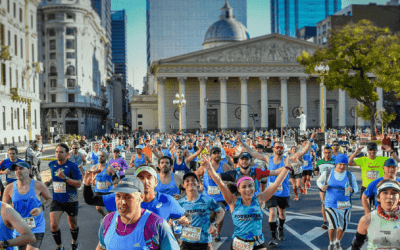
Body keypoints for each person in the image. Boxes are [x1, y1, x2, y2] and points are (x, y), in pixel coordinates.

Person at [201, 154, 294, 250]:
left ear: (254, 187)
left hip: (258, 243)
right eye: (244, 187)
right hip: (238, 244)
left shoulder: (259, 200)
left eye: (250, 186)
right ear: (239, 190)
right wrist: (209, 168)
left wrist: (287, 167)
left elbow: (277, 183)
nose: (248, 189)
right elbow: (219, 183)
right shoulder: (233, 201)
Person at [95, 176, 179, 250]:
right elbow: (102, 247)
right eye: (118, 196)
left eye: (128, 197)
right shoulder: (108, 220)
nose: (122, 201)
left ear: (141, 197)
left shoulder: (157, 224)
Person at [2, 162, 52, 250]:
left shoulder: (38, 185)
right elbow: (3, 209)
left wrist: (41, 208)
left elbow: (49, 199)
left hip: (37, 227)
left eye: (21, 168)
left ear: (29, 170)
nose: (18, 171)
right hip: (19, 227)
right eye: (16, 169)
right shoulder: (9, 188)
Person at [44, 143, 82, 250]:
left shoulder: (73, 166)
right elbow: (54, 177)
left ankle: (74, 242)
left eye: (61, 152)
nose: (58, 154)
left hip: (71, 200)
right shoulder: (52, 164)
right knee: (53, 225)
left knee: (72, 225)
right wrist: (47, 183)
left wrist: (65, 177)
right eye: (56, 152)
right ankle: (59, 246)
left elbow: (79, 184)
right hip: (57, 200)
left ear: (67, 154)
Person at [317, 154, 359, 250]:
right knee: (333, 224)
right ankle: (331, 244)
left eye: (344, 164)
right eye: (340, 164)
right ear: (336, 164)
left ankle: (337, 242)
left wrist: (352, 189)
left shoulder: (349, 175)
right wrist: (322, 187)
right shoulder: (328, 173)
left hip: (345, 204)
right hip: (330, 203)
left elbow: (356, 188)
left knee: (343, 226)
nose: (342, 166)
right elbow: (319, 181)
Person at [178, 172, 225, 250]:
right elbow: (172, 221)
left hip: (204, 243)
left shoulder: (208, 200)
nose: (190, 182)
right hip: (186, 243)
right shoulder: (180, 203)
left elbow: (221, 211)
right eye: (187, 181)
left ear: (198, 184)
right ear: (183, 185)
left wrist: (215, 224)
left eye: (193, 180)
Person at [194, 147, 231, 242]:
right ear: (211, 155)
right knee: (210, 216)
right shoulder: (205, 165)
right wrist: (200, 184)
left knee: (220, 213)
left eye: (218, 153)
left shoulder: (224, 166)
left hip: (221, 196)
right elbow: (197, 174)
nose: (217, 155)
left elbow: (231, 176)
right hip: (208, 196)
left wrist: (226, 183)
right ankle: (210, 229)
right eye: (214, 153)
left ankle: (218, 233)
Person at [351, 179, 400, 250]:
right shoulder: (367, 219)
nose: (390, 196)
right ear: (378, 197)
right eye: (385, 193)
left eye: (394, 193)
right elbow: (355, 246)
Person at [349, 142, 399, 209]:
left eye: (374, 150)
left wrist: (391, 151)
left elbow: (397, 161)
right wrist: (356, 152)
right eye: (370, 149)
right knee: (367, 209)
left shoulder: (382, 159)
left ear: (377, 150)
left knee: (379, 209)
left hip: (378, 188)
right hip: (366, 187)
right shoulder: (363, 159)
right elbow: (349, 163)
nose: (372, 151)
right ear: (367, 150)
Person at [91, 151, 119, 217]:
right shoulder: (94, 167)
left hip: (108, 192)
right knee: (98, 208)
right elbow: (91, 179)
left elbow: (117, 179)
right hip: (98, 191)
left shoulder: (109, 168)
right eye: (100, 156)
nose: (100, 157)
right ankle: (104, 216)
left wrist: (111, 183)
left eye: (102, 156)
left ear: (106, 157)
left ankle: (108, 219)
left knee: (109, 211)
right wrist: (93, 180)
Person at [315, 146, 336, 229]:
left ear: (332, 153)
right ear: (324, 153)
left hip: (334, 186)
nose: (327, 154)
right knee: (324, 203)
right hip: (323, 186)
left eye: (329, 152)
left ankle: (334, 219)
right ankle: (325, 221)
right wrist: (316, 171)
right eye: (326, 152)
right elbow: (316, 170)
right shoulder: (320, 162)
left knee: (334, 204)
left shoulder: (335, 162)